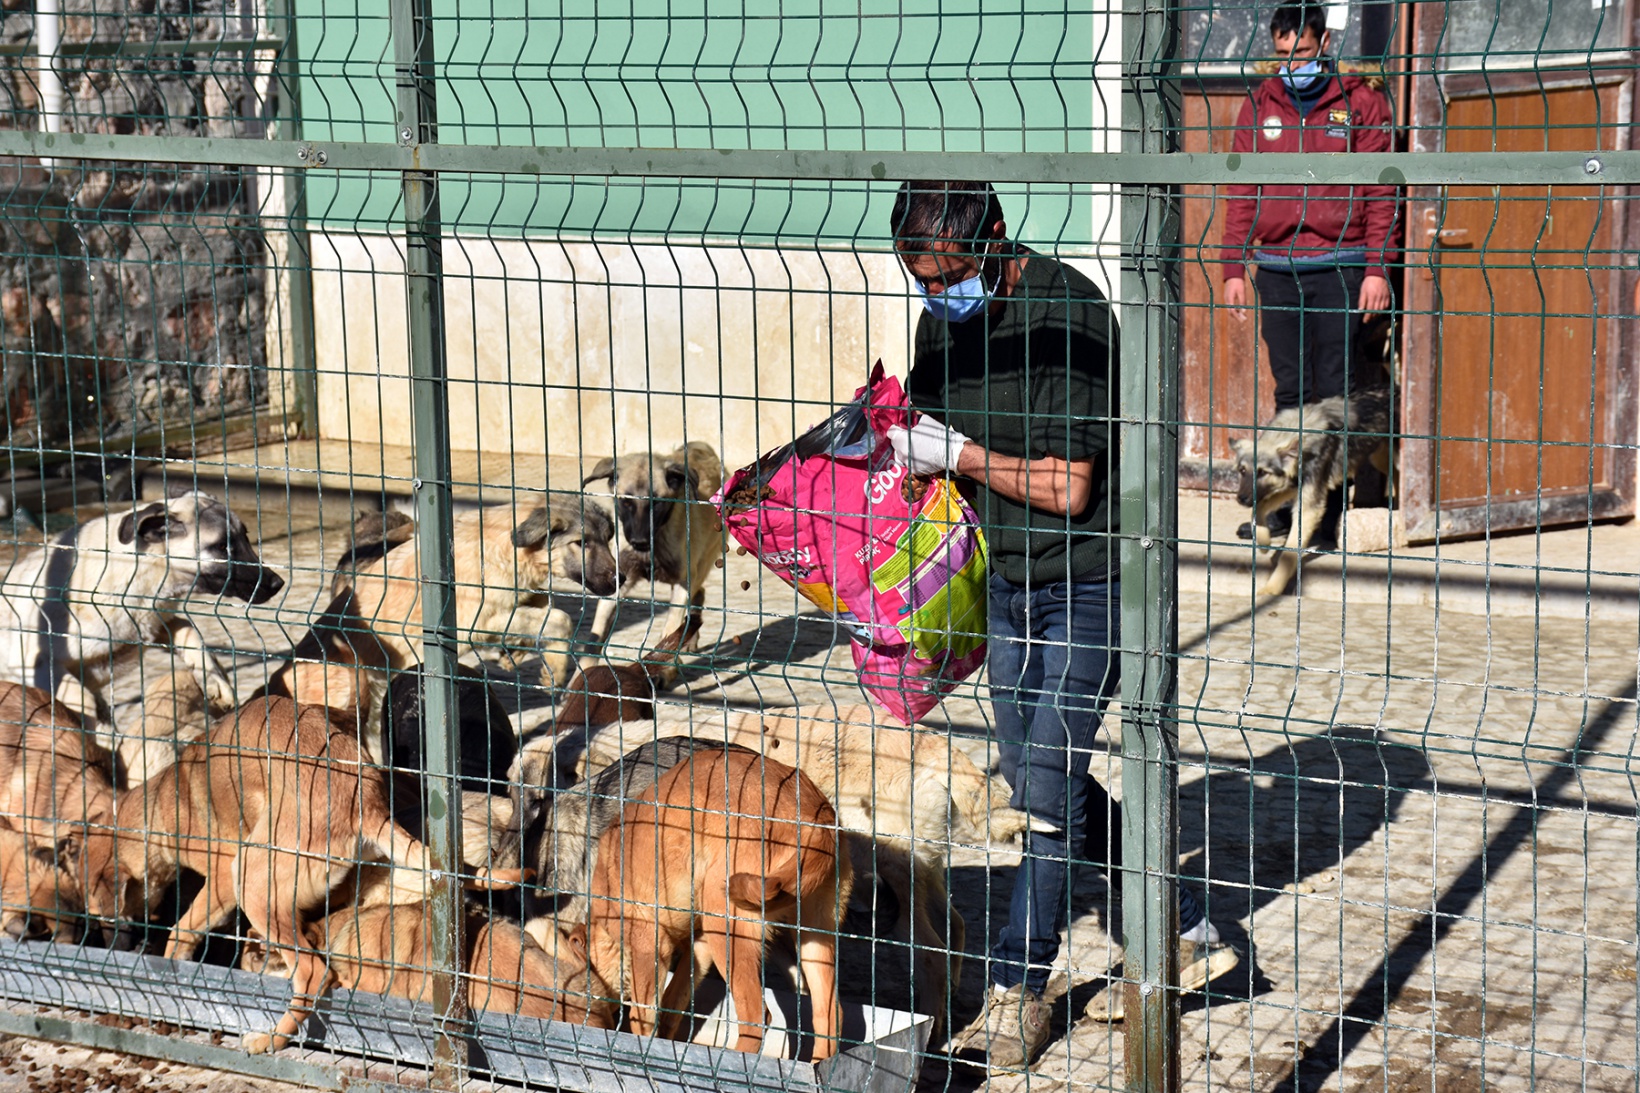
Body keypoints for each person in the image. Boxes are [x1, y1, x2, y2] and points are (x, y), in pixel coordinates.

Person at [884, 181, 1238, 1073]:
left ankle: (1018, 986)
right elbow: (931, 436)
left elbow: (1069, 487)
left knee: (1044, 792)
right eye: (924, 282)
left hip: (1094, 579)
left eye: (952, 276)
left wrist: (958, 454)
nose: (940, 296)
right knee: (1042, 777)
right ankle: (1189, 926)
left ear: (997, 239)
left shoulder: (1067, 312)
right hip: (1006, 580)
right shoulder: (940, 323)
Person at [1222, 3, 1399, 546]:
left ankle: (1326, 513)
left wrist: (1377, 269)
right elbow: (1242, 189)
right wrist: (1233, 266)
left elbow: (1382, 190)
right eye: (1282, 54)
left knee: (1333, 394)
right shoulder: (1260, 104)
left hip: (1341, 267)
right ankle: (1281, 507)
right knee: (1291, 392)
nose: (1291, 64)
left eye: (1300, 52)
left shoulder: (1360, 101)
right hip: (1277, 270)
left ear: (1323, 44)